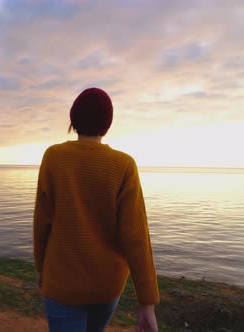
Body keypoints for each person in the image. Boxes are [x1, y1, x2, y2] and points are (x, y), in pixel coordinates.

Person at [33, 87, 159, 332]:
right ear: (108, 123)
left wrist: (41, 268)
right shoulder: (124, 165)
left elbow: (42, 222)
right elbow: (136, 238)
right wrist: (147, 302)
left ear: (73, 120)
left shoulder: (54, 157)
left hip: (61, 283)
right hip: (107, 286)